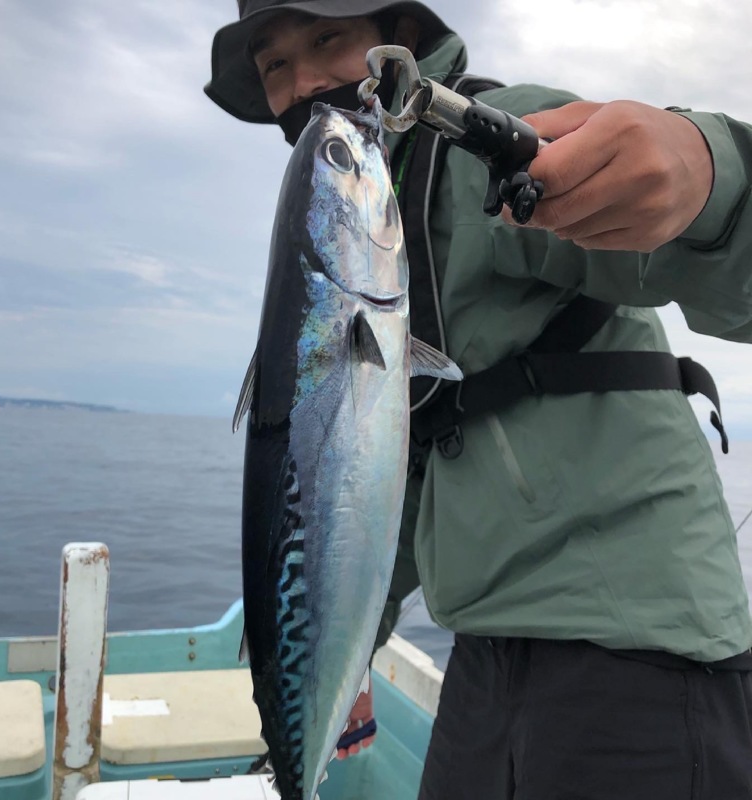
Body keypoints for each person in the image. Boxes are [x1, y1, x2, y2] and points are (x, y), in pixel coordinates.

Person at [206, 2, 752, 797]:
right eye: (275, 67)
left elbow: (729, 264)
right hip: (488, 650)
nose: (306, 84)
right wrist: (349, 640)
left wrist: (705, 169)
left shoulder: (489, 139)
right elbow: (379, 469)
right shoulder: (387, 195)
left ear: (401, 37)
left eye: (326, 38)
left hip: (632, 643)